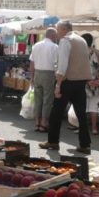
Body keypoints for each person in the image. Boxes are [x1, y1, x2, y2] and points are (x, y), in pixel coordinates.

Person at [40, 20, 92, 154]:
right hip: (81, 81)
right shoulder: (81, 40)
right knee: (81, 114)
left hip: (68, 81)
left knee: (56, 113)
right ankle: (85, 144)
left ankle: (53, 141)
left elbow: (62, 65)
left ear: (63, 29)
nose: (56, 32)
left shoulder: (65, 41)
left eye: (57, 29)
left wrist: (58, 84)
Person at [29, 28, 59, 132]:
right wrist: (58, 80)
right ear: (53, 36)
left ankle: (37, 122)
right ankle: (44, 123)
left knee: (38, 99)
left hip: (37, 73)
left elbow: (32, 63)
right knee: (47, 100)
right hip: (48, 74)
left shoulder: (36, 46)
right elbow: (56, 65)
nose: (56, 37)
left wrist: (31, 77)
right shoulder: (55, 47)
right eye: (56, 35)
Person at [83, 33, 99, 136]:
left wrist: (87, 80)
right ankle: (94, 128)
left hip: (84, 82)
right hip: (96, 84)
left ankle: (82, 128)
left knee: (82, 106)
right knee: (94, 107)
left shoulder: (80, 53)